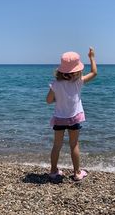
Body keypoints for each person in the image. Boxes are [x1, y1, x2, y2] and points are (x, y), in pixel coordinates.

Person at [46, 47, 97, 181]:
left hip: (59, 119)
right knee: (74, 145)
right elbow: (94, 73)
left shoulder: (55, 84)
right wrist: (91, 57)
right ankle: (77, 172)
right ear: (77, 69)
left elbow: (48, 100)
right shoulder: (78, 82)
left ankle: (53, 171)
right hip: (74, 118)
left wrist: (59, 98)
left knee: (57, 145)